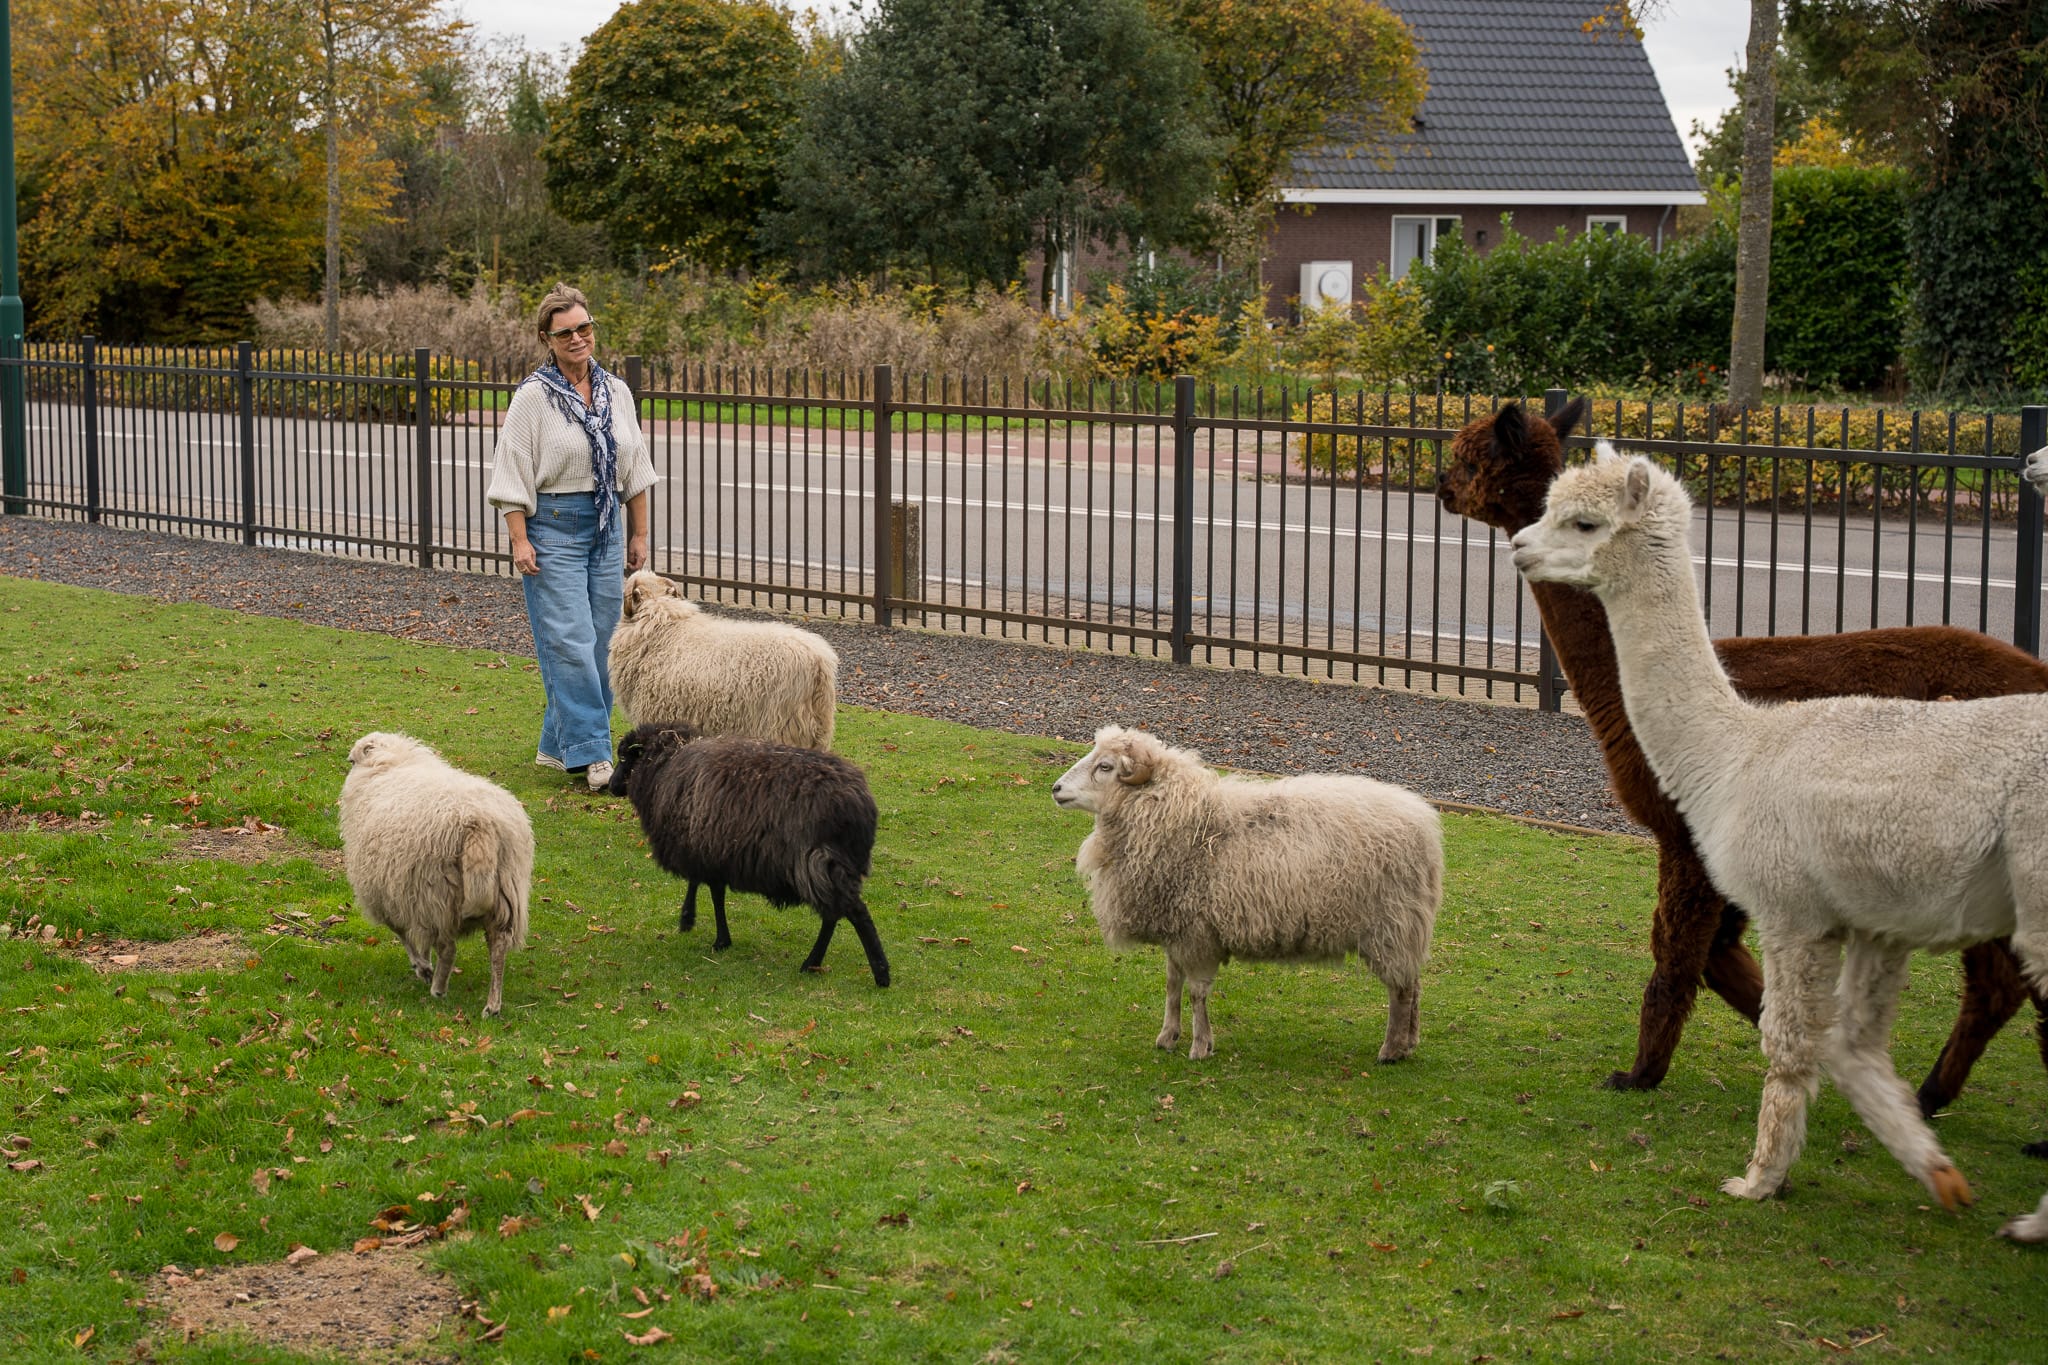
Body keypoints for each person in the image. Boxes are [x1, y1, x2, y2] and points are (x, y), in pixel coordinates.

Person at [486, 283, 656, 791]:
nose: (579, 338)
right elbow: (511, 474)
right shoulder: (532, 398)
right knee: (569, 642)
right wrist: (520, 540)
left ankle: (556, 745)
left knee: (604, 644)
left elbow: (635, 469)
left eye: (585, 328)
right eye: (566, 332)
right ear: (548, 338)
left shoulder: (616, 392)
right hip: (553, 528)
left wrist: (639, 534)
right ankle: (594, 753)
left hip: (605, 528)